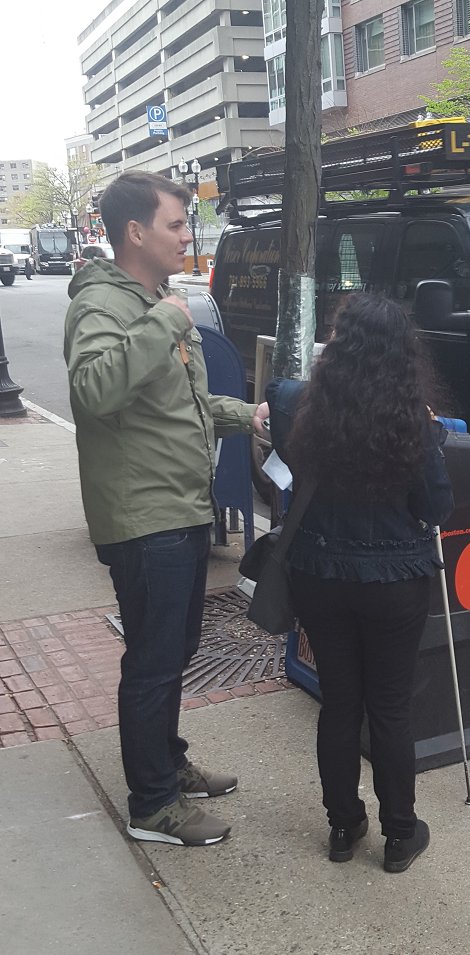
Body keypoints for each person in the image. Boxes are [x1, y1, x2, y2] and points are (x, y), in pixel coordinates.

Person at [64, 171, 269, 847]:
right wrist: (163, 322)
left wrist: (250, 415)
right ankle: (152, 803)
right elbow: (94, 390)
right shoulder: (105, 305)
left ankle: (167, 763)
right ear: (135, 232)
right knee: (153, 659)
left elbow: (184, 406)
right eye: (177, 224)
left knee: (172, 648)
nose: (189, 235)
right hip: (144, 518)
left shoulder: (153, 299)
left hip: (179, 509)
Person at [267, 293, 454, 874]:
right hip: (395, 579)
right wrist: (434, 442)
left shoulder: (303, 408)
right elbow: (437, 506)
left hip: (321, 575)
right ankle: (400, 833)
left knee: (340, 703)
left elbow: (286, 462)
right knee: (391, 709)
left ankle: (343, 827)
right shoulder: (411, 420)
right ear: (405, 355)